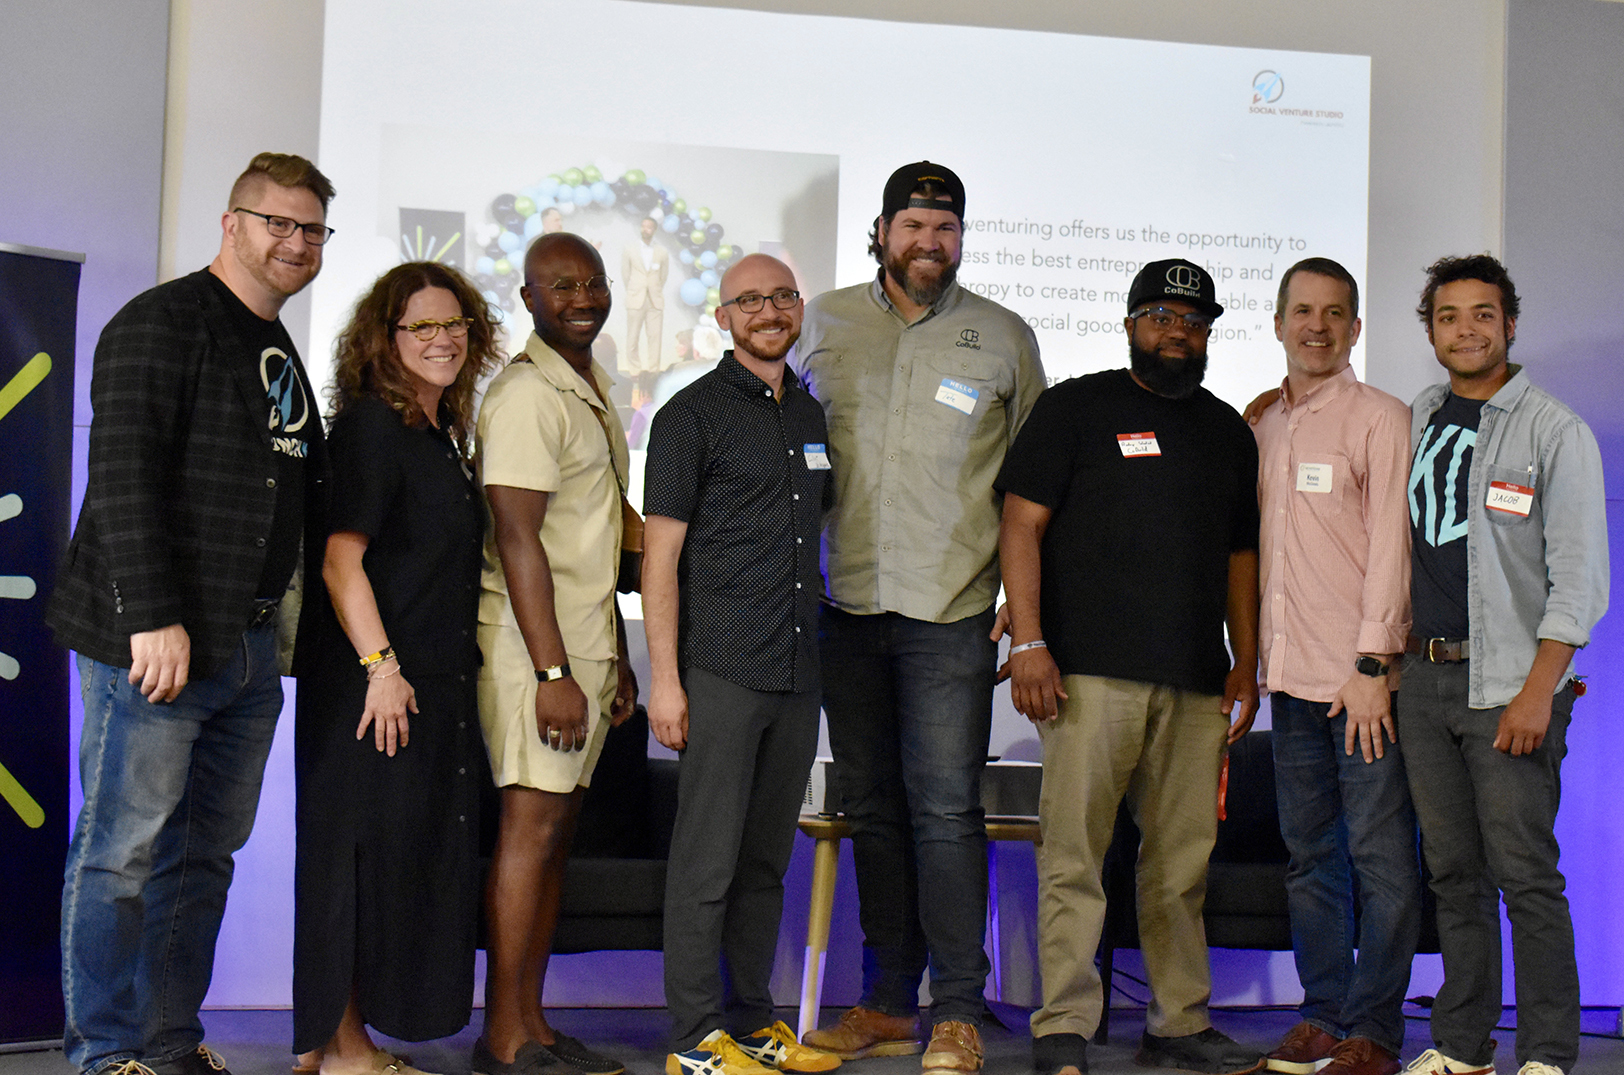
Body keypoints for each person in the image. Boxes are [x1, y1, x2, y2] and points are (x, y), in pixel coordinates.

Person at [47, 152, 334, 1075]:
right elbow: (123, 477)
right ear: (232, 222)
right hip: (157, 644)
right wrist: (154, 618)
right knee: (124, 853)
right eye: (277, 223)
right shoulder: (159, 322)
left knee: (203, 858)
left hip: (247, 649)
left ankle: (168, 1039)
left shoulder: (275, 343)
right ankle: (104, 1049)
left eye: (312, 229)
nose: (295, 243)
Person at [795, 162, 1045, 1075]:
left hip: (954, 607)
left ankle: (960, 1010)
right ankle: (886, 1000)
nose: (928, 243)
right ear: (882, 229)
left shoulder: (1004, 337)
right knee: (874, 808)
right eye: (913, 225)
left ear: (961, 236)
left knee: (945, 808)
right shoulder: (821, 321)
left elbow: (1031, 487)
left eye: (944, 228)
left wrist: (1027, 604)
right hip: (841, 600)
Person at [996, 259, 1263, 1075]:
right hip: (1088, 675)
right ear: (1129, 323)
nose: (1176, 330)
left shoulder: (1226, 429)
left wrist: (1246, 663)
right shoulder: (1075, 406)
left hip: (1194, 681)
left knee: (1181, 864)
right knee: (1075, 856)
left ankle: (1178, 1020)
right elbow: (1020, 524)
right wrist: (1031, 643)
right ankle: (1063, 1024)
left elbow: (1241, 558)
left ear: (1208, 331)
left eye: (1192, 318)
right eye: (1160, 315)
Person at [1396, 255, 1607, 1075]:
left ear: (1510, 325)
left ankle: (1549, 1050)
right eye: (1450, 317)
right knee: (1453, 875)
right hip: (1425, 680)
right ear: (1431, 330)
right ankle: (1461, 1044)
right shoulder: (1420, 412)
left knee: (1526, 875)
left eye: (1484, 315)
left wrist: (1536, 692)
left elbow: (1581, 580)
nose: (1467, 330)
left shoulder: (1554, 429)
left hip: (1511, 685)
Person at [291, 263, 503, 1075]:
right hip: (372, 686)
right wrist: (382, 667)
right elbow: (343, 563)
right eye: (422, 327)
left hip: (420, 683)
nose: (443, 339)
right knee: (355, 861)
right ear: (386, 338)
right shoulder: (375, 428)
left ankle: (330, 1041)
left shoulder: (439, 430)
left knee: (382, 860)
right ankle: (345, 1049)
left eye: (455, 325)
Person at [643, 254, 839, 1075]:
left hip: (797, 670)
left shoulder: (811, 416)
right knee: (707, 861)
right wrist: (665, 678)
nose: (769, 310)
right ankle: (694, 1038)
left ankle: (754, 1021)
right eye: (750, 300)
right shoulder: (689, 415)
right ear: (722, 316)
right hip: (720, 666)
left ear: (797, 309)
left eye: (782, 297)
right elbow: (659, 560)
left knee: (765, 861)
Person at [473, 232, 637, 1075]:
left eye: (594, 282)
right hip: (538, 660)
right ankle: (502, 1035)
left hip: (583, 652)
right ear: (529, 299)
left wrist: (614, 657)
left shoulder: (585, 385)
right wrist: (552, 672)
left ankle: (533, 1025)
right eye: (561, 285)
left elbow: (591, 537)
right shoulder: (529, 395)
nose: (583, 296)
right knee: (529, 834)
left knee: (554, 834)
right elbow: (518, 537)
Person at [1250, 259, 1420, 1075]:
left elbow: (1394, 544)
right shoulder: (1263, 427)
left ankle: (1373, 1029)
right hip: (1288, 682)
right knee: (1310, 855)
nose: (1316, 326)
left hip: (1360, 686)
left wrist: (1373, 660)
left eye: (1335, 313)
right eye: (1302, 311)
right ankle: (1320, 1014)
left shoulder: (1382, 418)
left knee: (1381, 859)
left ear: (1355, 328)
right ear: (1279, 322)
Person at [621, 215, 670, 377]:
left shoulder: (662, 252)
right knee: (632, 337)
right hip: (636, 298)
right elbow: (626, 274)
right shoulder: (630, 249)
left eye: (649, 227)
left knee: (655, 337)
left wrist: (654, 289)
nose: (645, 229)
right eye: (643, 226)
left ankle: (653, 370)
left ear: (654, 230)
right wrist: (635, 289)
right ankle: (634, 370)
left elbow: (663, 276)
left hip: (654, 299)